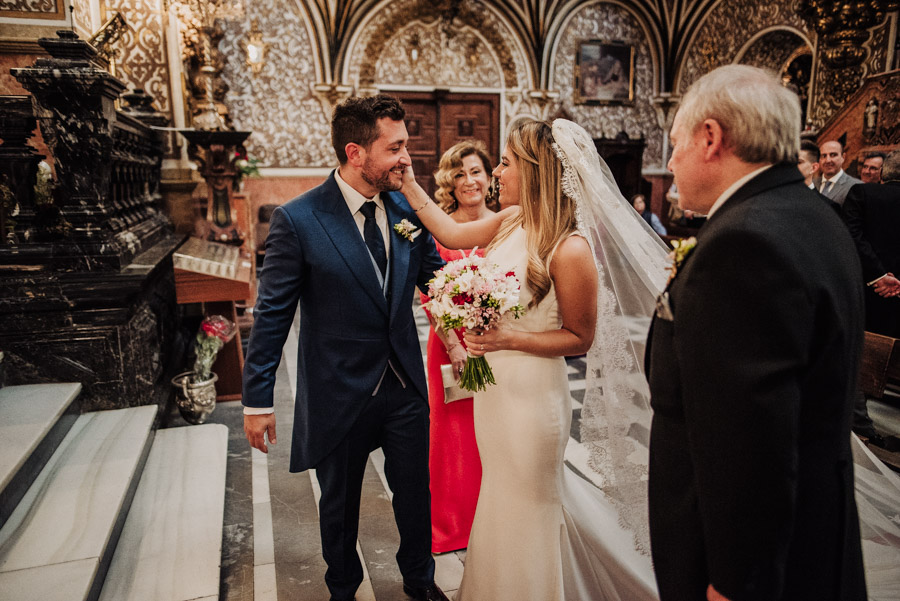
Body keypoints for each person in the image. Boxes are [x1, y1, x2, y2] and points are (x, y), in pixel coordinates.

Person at [402, 118, 667, 600]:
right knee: (500, 499)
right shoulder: (511, 221)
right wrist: (407, 182)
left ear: (536, 170)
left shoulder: (570, 248)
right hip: (495, 395)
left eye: (505, 163)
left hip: (534, 401)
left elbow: (580, 337)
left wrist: (508, 339)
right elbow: (447, 232)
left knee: (529, 503)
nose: (495, 173)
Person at [647, 64, 867, 601]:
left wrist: (734, 581)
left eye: (675, 144)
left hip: (755, 568)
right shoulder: (812, 214)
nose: (670, 161)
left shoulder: (743, 244)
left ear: (710, 138)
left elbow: (750, 440)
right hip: (817, 536)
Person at [241, 94, 451, 601]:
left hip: (401, 382)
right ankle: (343, 588)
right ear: (356, 153)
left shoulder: (406, 207)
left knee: (415, 498)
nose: (407, 158)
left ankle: (421, 585)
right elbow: (273, 313)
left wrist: (481, 307)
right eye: (395, 147)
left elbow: (437, 280)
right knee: (339, 505)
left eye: (406, 146)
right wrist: (257, 399)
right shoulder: (299, 219)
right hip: (338, 387)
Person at [420, 140, 497, 553]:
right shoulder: (438, 228)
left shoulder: (504, 224)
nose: (469, 181)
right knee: (450, 434)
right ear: (449, 181)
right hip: (447, 348)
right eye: (460, 173)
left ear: (489, 177)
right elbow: (430, 291)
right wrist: (454, 345)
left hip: (497, 344)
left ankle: (494, 519)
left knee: (495, 429)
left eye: (476, 171)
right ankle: (451, 526)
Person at [842, 150, 900, 446]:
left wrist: (879, 276)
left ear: (884, 173)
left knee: (857, 359)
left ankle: (861, 426)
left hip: (867, 293)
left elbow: (851, 235)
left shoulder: (862, 194)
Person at [817, 139, 862, 205]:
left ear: (843, 157)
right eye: (824, 156)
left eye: (833, 155)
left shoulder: (856, 186)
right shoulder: (810, 184)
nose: (828, 160)